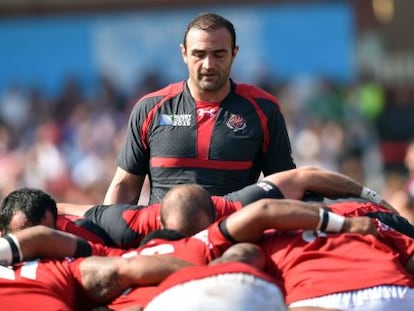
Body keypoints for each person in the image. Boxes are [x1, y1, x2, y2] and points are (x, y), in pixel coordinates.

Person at [104, 12, 295, 205]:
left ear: (234, 53)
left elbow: (286, 185)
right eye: (199, 54)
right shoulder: (150, 108)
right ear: (184, 53)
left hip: (234, 232)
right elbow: (125, 186)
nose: (208, 64)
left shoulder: (264, 109)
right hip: (163, 233)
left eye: (218, 54)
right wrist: (107, 232)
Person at [62, 166, 398, 247]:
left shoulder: (129, 223)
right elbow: (308, 176)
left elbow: (70, 210)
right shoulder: (244, 208)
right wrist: (373, 198)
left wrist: (372, 196)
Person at [0, 225, 191, 311]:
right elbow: (42, 236)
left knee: (127, 270)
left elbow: (42, 237)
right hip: (49, 274)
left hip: (55, 274)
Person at [0, 188, 115, 245]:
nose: (37, 244)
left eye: (46, 233)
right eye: (24, 234)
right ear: (2, 232)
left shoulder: (83, 238)